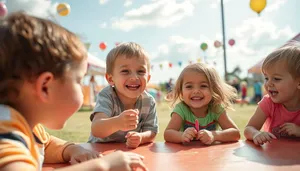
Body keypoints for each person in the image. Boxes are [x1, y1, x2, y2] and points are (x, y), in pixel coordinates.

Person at [0, 12, 147, 171]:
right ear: (45, 87)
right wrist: (102, 165)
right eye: (78, 80)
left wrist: (71, 149)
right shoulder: (5, 132)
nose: (81, 86)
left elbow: (46, 144)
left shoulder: (27, 127)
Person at [88, 42, 159, 149]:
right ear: (111, 79)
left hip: (127, 152)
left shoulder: (148, 101)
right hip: (99, 150)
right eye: (125, 71)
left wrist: (141, 137)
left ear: (148, 78)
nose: (134, 77)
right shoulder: (107, 96)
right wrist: (117, 123)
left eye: (140, 71)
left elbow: (151, 131)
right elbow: (96, 128)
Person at [164, 63, 240, 145]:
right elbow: (168, 133)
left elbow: (236, 134)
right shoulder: (181, 109)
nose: (196, 91)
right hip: (186, 155)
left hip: (212, 156)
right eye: (189, 86)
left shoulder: (216, 108)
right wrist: (182, 136)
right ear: (181, 91)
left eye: (203, 86)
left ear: (214, 89)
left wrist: (214, 135)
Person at [244, 42, 300, 146]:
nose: (268, 83)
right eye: (266, 78)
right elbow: (248, 129)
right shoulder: (268, 103)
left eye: (276, 79)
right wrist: (256, 134)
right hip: (273, 157)